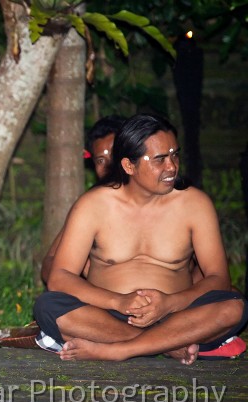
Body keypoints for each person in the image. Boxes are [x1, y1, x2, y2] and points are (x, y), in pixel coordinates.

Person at [33, 114, 247, 364]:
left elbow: (218, 278)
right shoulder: (94, 205)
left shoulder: (195, 204)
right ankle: (167, 345)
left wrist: (169, 303)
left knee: (234, 306)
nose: (172, 167)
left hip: (178, 315)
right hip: (108, 316)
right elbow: (60, 276)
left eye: (174, 155)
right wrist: (119, 301)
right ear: (128, 166)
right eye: (160, 159)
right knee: (48, 306)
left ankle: (121, 349)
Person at [40, 116, 125, 284]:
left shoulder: (165, 198)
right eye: (101, 160)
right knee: (49, 303)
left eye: (115, 155)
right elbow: (49, 263)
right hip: (100, 296)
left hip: (160, 297)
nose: (109, 166)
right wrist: (80, 277)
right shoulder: (92, 205)